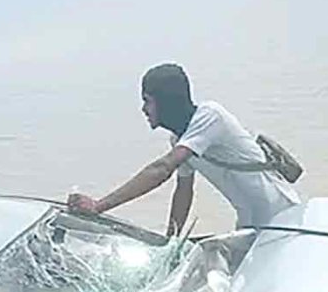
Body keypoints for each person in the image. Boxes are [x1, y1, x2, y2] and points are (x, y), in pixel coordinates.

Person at [67, 64, 300, 235]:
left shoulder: (210, 116)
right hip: (251, 226)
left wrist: (99, 206)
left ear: (166, 101)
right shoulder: (180, 139)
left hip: (284, 218)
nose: (143, 109)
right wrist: (172, 241)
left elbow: (162, 168)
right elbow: (183, 191)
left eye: (147, 101)